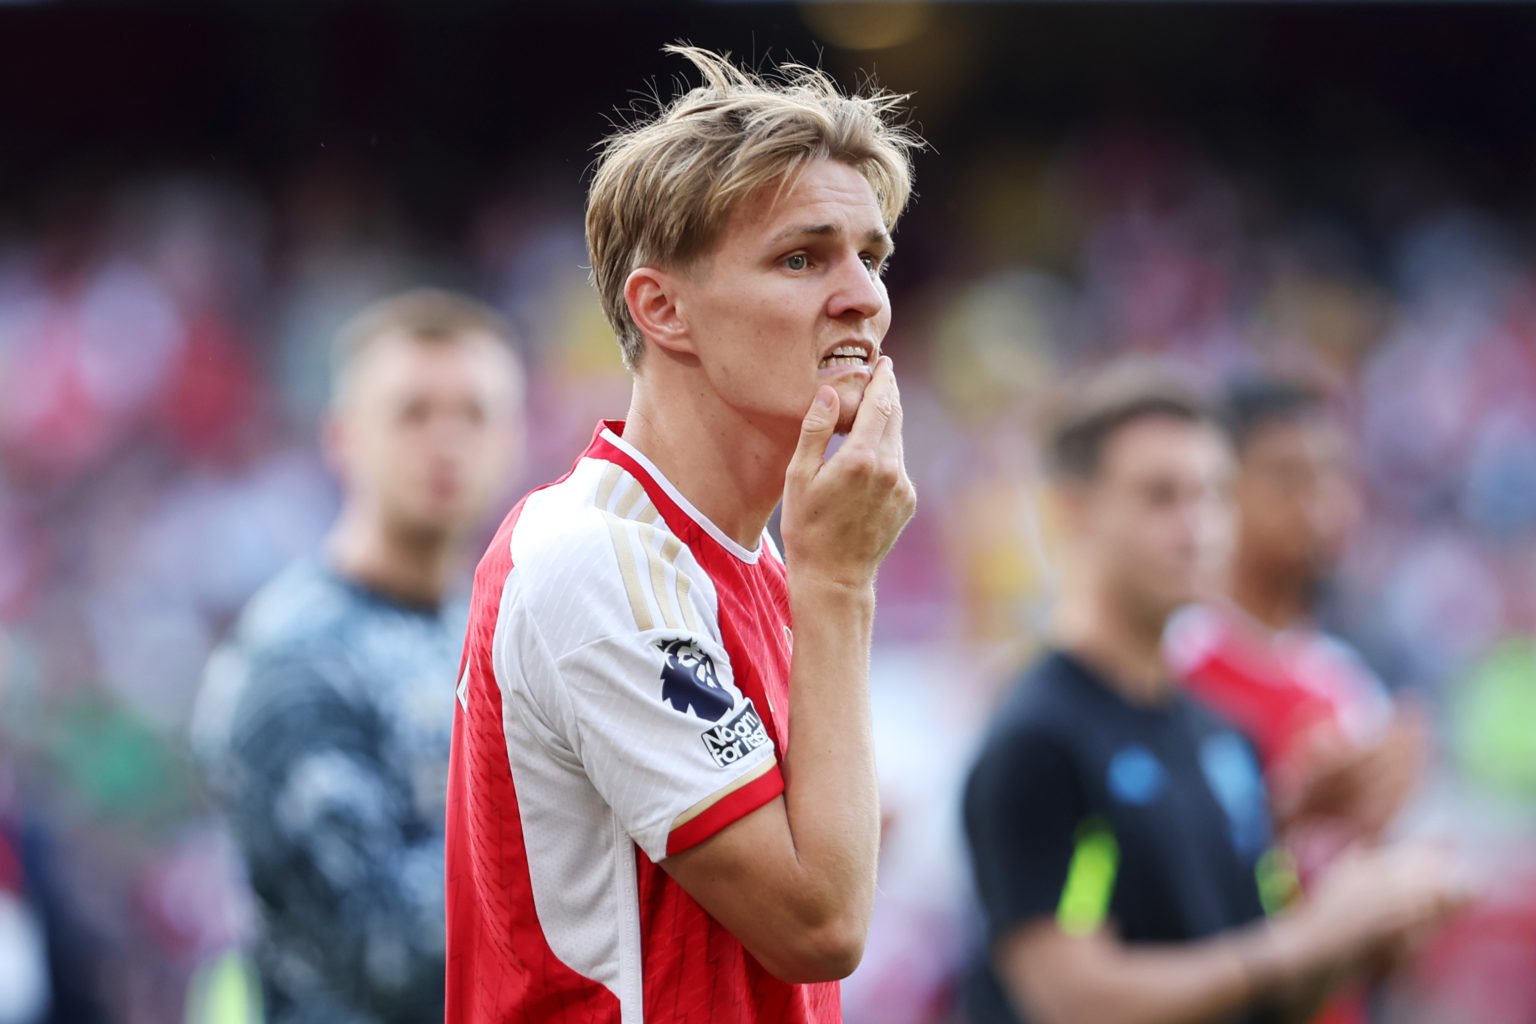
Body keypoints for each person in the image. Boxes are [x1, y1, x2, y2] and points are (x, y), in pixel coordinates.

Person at [444, 46, 919, 1023]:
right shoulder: (596, 554)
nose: (862, 297)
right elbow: (819, 924)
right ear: (663, 309)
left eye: (869, 256)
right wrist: (840, 588)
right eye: (802, 256)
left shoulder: (747, 553)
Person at [961, 363, 1465, 1024]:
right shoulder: (1041, 738)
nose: (1197, 525)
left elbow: (1254, 991)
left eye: (1214, 494)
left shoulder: (1219, 736)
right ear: (1072, 512)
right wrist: (1312, 936)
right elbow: (1073, 998)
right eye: (1161, 496)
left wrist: (1369, 917)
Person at [191, 289, 525, 1024]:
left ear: (514, 441)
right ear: (342, 437)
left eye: (474, 413)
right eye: (412, 412)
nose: (446, 439)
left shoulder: (499, 633)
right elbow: (382, 952)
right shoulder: (295, 661)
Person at [1165, 377, 1425, 855]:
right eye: (1288, 477)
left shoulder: (1345, 680)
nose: (1319, 504)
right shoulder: (1170, 663)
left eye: (1331, 476)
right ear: (1219, 491)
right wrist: (1288, 812)